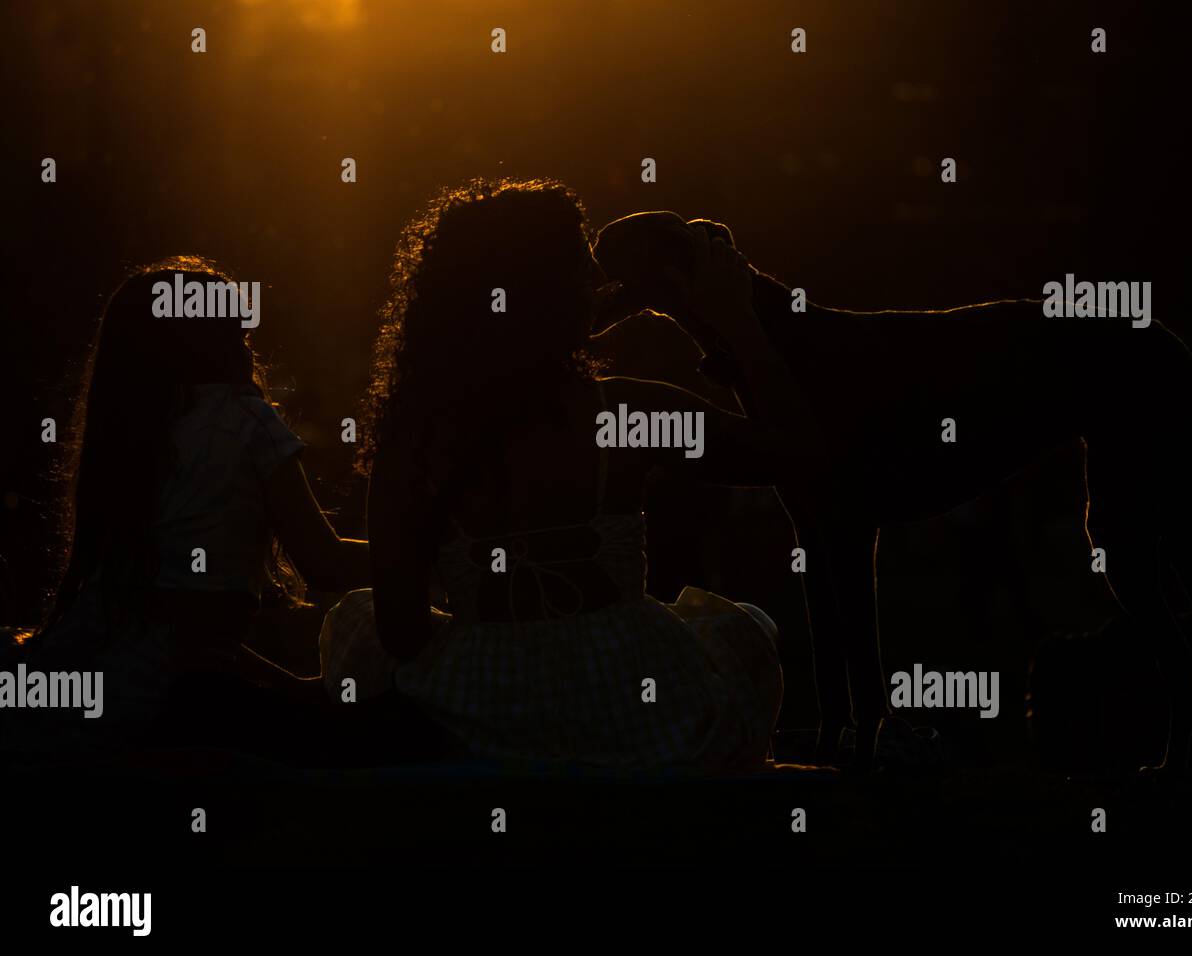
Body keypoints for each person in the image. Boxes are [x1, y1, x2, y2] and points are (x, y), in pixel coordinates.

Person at [321, 178, 825, 770]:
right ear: (552, 293)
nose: (598, 278)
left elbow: (402, 633)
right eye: (579, 262)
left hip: (485, 713)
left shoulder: (415, 439)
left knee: (355, 626)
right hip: (633, 701)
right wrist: (735, 321)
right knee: (744, 634)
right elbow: (797, 451)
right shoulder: (627, 416)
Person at [4, 257, 368, 752]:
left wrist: (291, 687)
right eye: (236, 329)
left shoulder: (134, 431)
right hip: (161, 701)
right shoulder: (247, 421)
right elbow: (323, 564)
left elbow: (183, 628)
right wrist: (427, 552)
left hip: (81, 672)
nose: (247, 339)